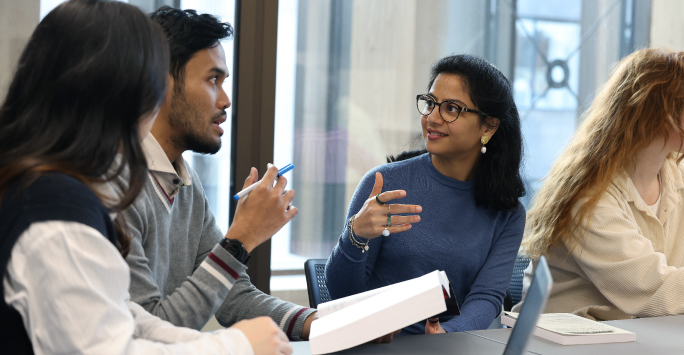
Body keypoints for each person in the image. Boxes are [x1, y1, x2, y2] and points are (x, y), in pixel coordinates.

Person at [0, 1, 291, 354]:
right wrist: (235, 346)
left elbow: (128, 316)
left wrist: (295, 325)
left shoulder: (59, 188)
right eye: (150, 85)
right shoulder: (56, 209)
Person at [118, 5, 316, 339]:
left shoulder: (184, 180)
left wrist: (320, 322)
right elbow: (151, 334)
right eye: (213, 80)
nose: (225, 100)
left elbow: (232, 296)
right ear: (161, 80)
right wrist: (240, 239)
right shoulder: (118, 184)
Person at [325, 54, 526, 336]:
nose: (432, 118)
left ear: (488, 126)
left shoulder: (507, 212)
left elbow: (486, 297)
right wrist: (355, 236)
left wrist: (449, 335)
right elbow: (341, 297)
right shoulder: (383, 184)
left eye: (452, 108)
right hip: (377, 345)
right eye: (430, 103)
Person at [519, 48, 684, 321]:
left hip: (638, 334)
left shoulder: (674, 175)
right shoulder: (587, 197)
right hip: (566, 341)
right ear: (659, 113)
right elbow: (653, 288)